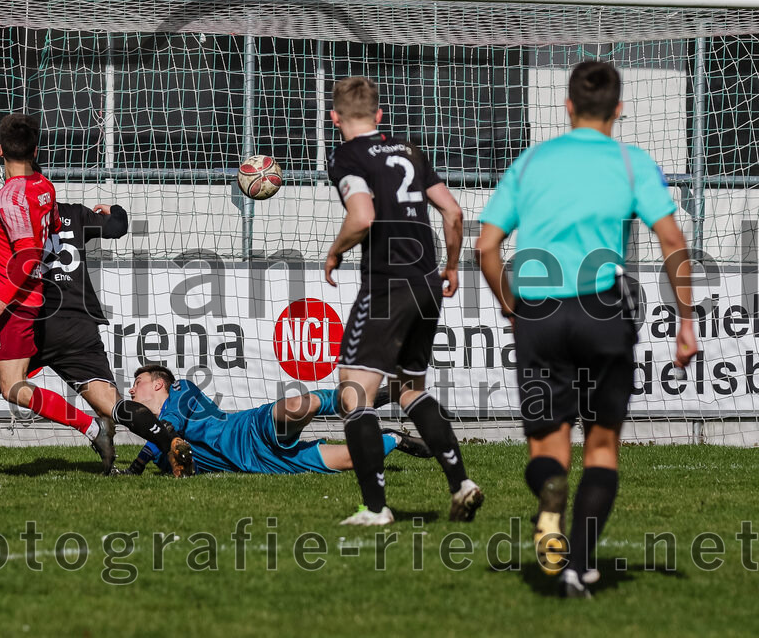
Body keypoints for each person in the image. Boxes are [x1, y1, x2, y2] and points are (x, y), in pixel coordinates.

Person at [476, 61, 697, 597]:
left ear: (568, 106)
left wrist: (511, 306)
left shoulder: (532, 161)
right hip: (602, 311)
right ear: (618, 109)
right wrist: (686, 319)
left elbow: (485, 246)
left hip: (539, 313)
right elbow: (672, 241)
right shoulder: (630, 162)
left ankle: (551, 500)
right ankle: (577, 564)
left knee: (548, 448)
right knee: (601, 448)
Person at [0, 114, 193, 478]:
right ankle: (167, 438)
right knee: (111, 404)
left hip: (30, 313)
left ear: (0, 151)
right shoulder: (66, 208)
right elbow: (117, 227)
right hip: (75, 324)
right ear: (36, 153)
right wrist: (116, 211)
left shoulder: (12, 206)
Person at [324, 76, 483, 526]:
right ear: (379, 115)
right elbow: (453, 211)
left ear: (334, 118)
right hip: (427, 280)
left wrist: (335, 252)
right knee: (409, 388)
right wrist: (452, 266)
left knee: (355, 394)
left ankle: (376, 509)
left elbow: (362, 216)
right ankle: (461, 483)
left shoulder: (347, 156)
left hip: (387, 286)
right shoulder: (410, 150)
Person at [118, 365, 433, 475]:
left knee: (298, 405)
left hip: (248, 430)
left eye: (138, 382)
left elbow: (169, 425)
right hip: (262, 464)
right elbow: (159, 446)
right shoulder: (159, 445)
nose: (132, 389)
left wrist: (143, 459)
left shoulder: (181, 389)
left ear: (158, 384)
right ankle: (394, 437)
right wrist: (135, 468)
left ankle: (361, 399)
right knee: (354, 459)